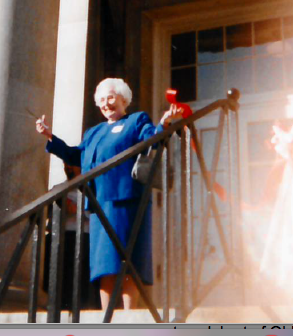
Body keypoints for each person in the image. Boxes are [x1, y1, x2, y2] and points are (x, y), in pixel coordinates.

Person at [35, 78, 182, 311]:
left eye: (111, 97)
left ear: (124, 99)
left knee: (128, 260)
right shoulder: (93, 132)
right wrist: (51, 138)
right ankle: (108, 317)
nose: (106, 103)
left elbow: (152, 139)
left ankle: (128, 316)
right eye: (102, 100)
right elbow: (76, 156)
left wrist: (163, 124)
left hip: (128, 202)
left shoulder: (136, 120)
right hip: (99, 204)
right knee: (105, 263)